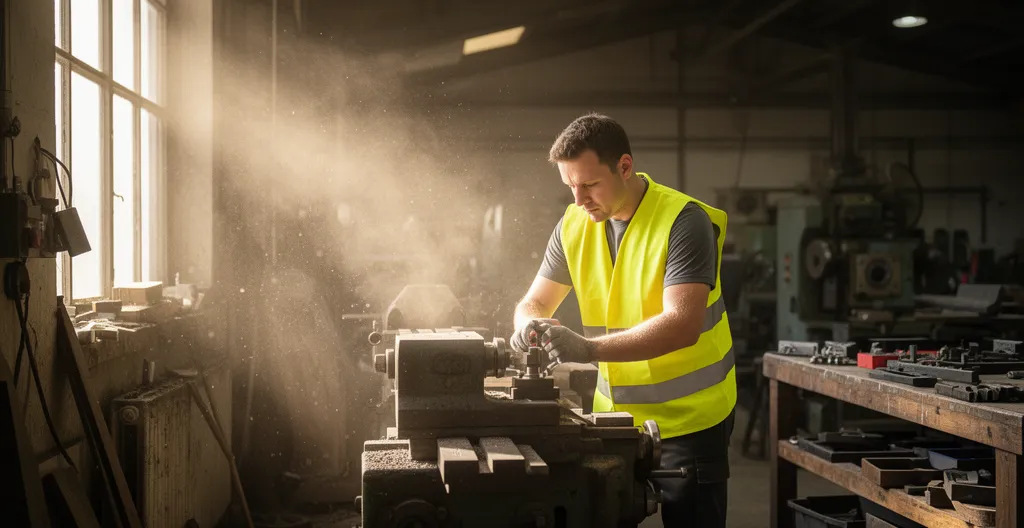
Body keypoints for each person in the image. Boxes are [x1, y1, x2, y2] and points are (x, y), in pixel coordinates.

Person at [509, 113, 736, 527]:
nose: (579, 199)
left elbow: (682, 323)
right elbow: (535, 302)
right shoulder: (573, 226)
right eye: (570, 186)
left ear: (625, 167)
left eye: (590, 184)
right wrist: (526, 326)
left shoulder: (684, 221)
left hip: (691, 422)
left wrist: (587, 349)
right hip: (615, 420)